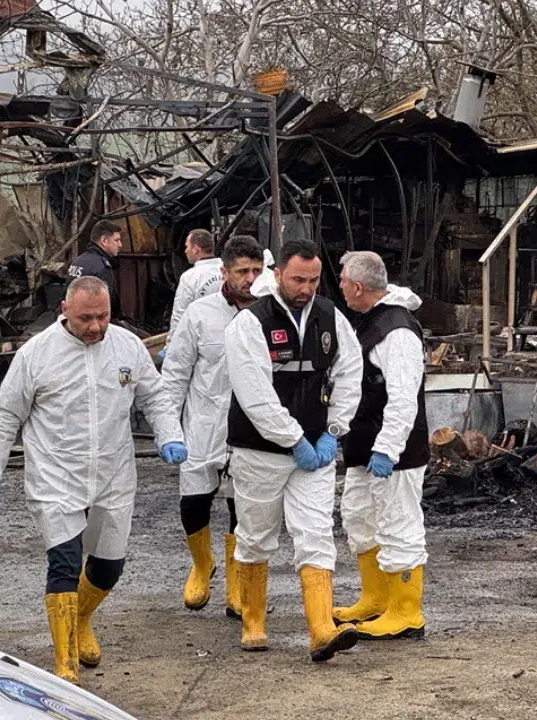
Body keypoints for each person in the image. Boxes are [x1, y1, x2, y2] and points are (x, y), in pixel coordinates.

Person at [0, 276, 187, 685]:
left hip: (113, 471)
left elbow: (155, 397)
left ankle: (82, 619)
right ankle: (65, 663)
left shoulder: (127, 347)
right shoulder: (36, 355)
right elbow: (6, 416)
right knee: (65, 564)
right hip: (57, 474)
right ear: (65, 312)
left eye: (103, 316)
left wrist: (170, 435)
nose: (95, 327)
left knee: (108, 567)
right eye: (86, 318)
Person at [224, 239, 363, 662]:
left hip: (315, 454)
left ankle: (321, 629)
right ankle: (253, 622)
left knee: (316, 533)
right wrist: (292, 438)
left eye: (315, 280)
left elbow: (349, 373)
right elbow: (254, 392)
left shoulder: (330, 317)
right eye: (298, 279)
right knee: (255, 535)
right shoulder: (250, 323)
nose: (306, 288)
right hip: (259, 450)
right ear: (278, 274)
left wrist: (332, 432)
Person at [160, 236, 265, 617]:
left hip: (253, 429)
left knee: (244, 507)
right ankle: (203, 565)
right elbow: (174, 375)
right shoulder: (200, 315)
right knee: (194, 502)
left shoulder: (270, 313)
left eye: (257, 271)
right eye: (242, 271)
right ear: (224, 272)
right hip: (204, 424)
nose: (250, 279)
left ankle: (237, 584)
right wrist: (168, 428)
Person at [334, 252, 429, 640]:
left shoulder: (397, 331)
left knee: (399, 524)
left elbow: (404, 396)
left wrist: (387, 448)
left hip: (394, 453)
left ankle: (406, 612)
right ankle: (376, 597)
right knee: (359, 516)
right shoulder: (372, 321)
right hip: (363, 446)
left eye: (342, 281)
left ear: (357, 287)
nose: (339, 286)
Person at [168, 229, 224, 334]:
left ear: (195, 249)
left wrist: (170, 345)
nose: (185, 251)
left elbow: (179, 315)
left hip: (202, 338)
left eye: (187, 247)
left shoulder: (189, 277)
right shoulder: (228, 270)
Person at [68, 220, 124, 308]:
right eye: (116, 240)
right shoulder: (102, 267)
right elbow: (106, 304)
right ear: (104, 241)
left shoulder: (78, 260)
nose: (120, 245)